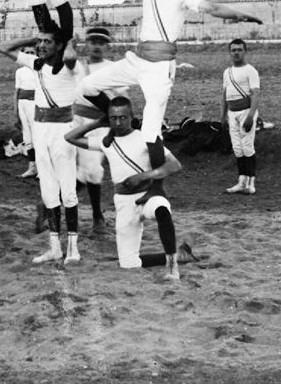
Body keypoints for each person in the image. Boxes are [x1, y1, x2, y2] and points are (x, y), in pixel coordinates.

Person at [78, 0, 263, 145]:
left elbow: (212, 8)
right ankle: (111, 118)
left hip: (159, 69)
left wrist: (241, 15)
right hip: (136, 61)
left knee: (150, 134)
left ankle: (155, 175)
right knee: (87, 87)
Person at [64, 96, 195, 281]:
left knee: (162, 209)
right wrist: (97, 123)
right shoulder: (105, 141)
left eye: (123, 117)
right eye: (113, 118)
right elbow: (70, 137)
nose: (118, 122)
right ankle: (181, 255)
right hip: (124, 203)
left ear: (131, 116)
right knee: (128, 263)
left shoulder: (145, 137)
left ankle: (173, 268)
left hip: (148, 195)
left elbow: (175, 165)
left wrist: (144, 176)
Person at [0, 27, 82, 264]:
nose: (41, 45)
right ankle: (55, 246)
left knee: (68, 191)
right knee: (48, 191)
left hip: (63, 132)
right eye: (40, 41)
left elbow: (70, 57)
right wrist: (34, 38)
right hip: (41, 130)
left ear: (59, 45)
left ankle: (73, 248)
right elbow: (2, 47)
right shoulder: (36, 64)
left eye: (47, 42)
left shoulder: (68, 66)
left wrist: (68, 41)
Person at [71, 26, 123, 230]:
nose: (96, 47)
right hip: (75, 122)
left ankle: (96, 217)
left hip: (100, 124)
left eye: (101, 43)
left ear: (107, 46)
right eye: (93, 42)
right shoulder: (76, 66)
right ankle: (94, 216)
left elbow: (122, 99)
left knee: (91, 169)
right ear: (87, 44)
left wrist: (117, 126)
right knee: (81, 169)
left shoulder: (112, 68)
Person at [221, 38, 261, 195]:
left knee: (247, 147)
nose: (236, 53)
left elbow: (256, 94)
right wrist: (222, 116)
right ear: (230, 52)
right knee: (237, 148)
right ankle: (241, 181)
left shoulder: (250, 70)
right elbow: (224, 94)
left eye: (239, 50)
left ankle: (251, 183)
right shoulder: (227, 72)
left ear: (245, 51)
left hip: (246, 111)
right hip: (232, 113)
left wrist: (251, 116)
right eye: (233, 50)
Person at [13, 45, 38, 179]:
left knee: (38, 136)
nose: (29, 54)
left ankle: (42, 168)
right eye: (26, 53)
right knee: (27, 136)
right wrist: (16, 110)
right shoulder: (20, 71)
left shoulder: (39, 69)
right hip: (23, 104)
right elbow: (16, 92)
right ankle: (32, 166)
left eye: (32, 52)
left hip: (35, 104)